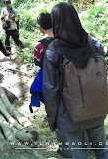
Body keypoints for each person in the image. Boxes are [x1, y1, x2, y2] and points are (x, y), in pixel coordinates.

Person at [42, 2, 108, 159]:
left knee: (79, 153)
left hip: (69, 114)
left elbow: (50, 89)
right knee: (102, 150)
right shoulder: (94, 44)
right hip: (96, 108)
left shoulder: (53, 51)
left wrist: (52, 120)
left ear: (55, 22)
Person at [32, 12, 71, 158]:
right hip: (69, 83)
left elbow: (37, 69)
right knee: (73, 112)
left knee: (58, 116)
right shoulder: (65, 40)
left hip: (50, 85)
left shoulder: (39, 46)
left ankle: (65, 149)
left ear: (41, 28)